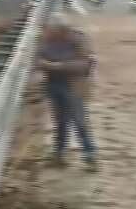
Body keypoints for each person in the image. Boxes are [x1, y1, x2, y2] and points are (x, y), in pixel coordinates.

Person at [37, 13, 97, 169]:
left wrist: (57, 66)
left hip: (73, 85)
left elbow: (85, 64)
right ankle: (59, 153)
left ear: (62, 30)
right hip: (53, 84)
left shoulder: (79, 39)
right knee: (60, 121)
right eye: (50, 31)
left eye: (54, 31)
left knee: (79, 121)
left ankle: (90, 155)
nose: (50, 34)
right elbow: (38, 57)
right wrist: (41, 64)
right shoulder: (47, 39)